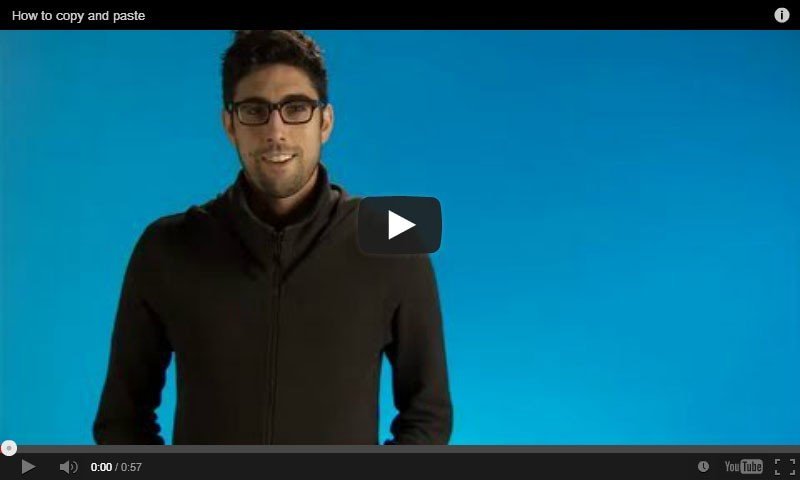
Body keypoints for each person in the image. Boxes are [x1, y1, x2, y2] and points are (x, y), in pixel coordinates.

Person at [93, 30, 452, 445]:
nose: (275, 131)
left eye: (296, 108)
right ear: (230, 124)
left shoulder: (393, 241)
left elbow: (428, 416)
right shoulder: (168, 248)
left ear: (325, 122)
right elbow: (121, 421)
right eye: (254, 110)